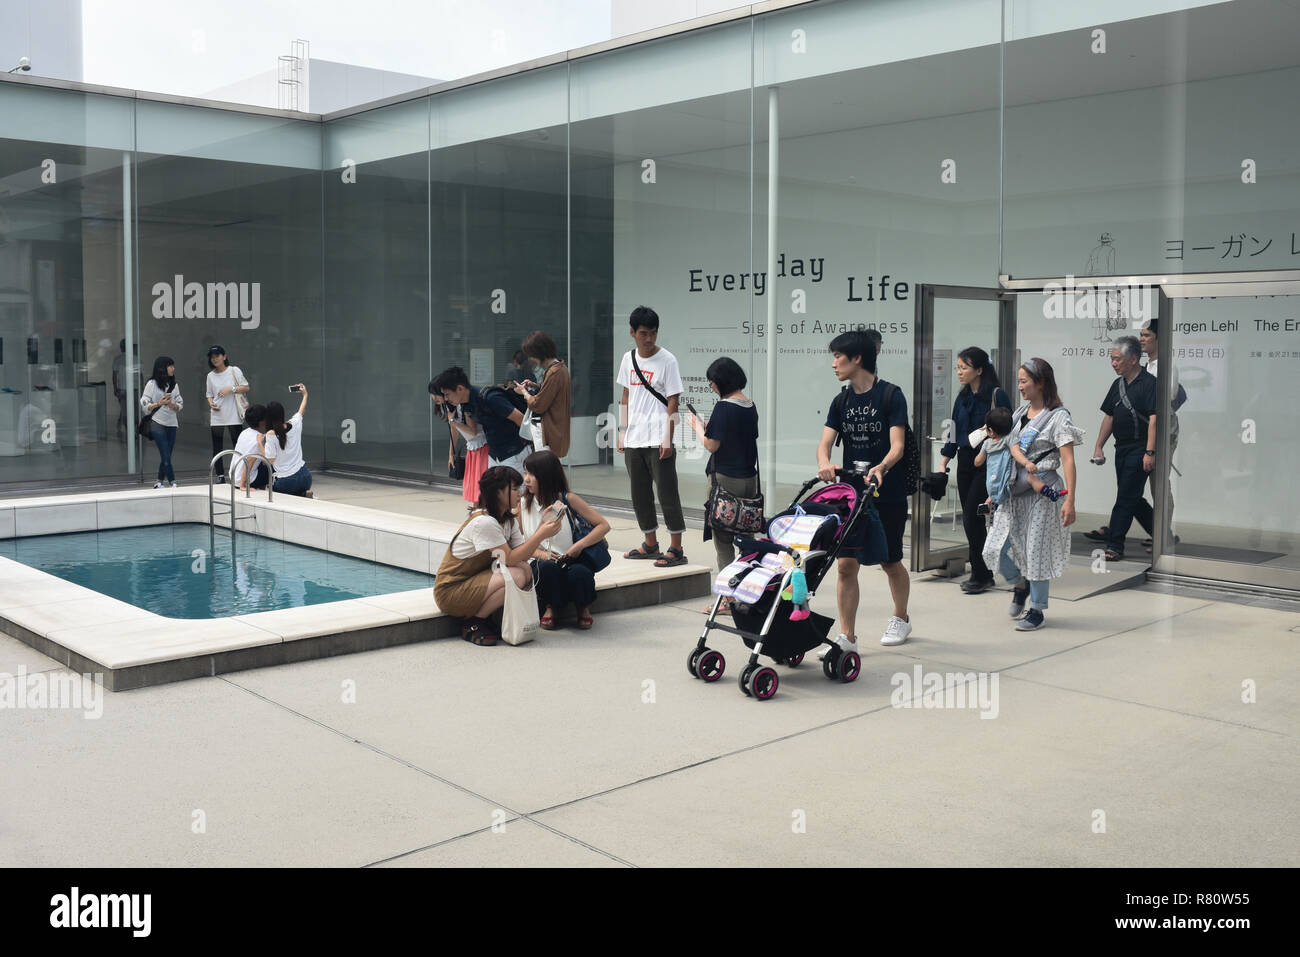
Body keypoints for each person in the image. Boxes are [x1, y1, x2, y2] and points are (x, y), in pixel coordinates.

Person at [816, 329, 913, 649]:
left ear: (857, 359)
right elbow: (824, 443)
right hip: (851, 494)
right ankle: (848, 636)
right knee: (845, 564)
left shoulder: (890, 395)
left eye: (837, 357)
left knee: (890, 561)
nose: (833, 364)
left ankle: (901, 617)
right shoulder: (840, 400)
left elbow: (897, 445)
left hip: (887, 492)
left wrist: (881, 466)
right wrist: (825, 462)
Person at [981, 358, 1083, 631]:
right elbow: (1004, 453)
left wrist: (1070, 500)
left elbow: (1069, 460)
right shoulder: (1019, 413)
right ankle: (1020, 582)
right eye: (1019, 381)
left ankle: (1036, 609)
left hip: (1042, 493)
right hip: (1013, 492)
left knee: (1036, 550)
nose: (1020, 386)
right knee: (994, 547)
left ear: (1041, 383)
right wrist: (995, 492)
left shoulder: (1059, 417)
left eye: (1025, 381)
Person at [433, 465, 564, 646]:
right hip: (451, 591)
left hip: (473, 582)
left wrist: (542, 526)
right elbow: (509, 558)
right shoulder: (484, 522)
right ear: (498, 492)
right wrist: (541, 534)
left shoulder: (507, 520)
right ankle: (474, 622)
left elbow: (522, 556)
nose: (520, 493)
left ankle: (483, 618)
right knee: (517, 574)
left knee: (525, 569)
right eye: (515, 489)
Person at [617, 305, 688, 568]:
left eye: (653, 333)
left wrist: (668, 438)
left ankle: (676, 548)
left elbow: (673, 401)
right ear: (633, 332)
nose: (649, 339)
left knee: (668, 493)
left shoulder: (668, 360)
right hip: (634, 438)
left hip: (659, 438)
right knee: (640, 494)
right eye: (644, 333)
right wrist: (622, 432)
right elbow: (626, 396)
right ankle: (650, 543)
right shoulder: (628, 359)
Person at [938, 346, 1012, 594]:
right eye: (958, 367)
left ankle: (981, 573)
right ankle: (984, 570)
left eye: (964, 367)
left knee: (972, 515)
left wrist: (985, 436)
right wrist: (943, 462)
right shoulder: (962, 397)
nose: (959, 372)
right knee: (973, 521)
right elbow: (953, 430)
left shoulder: (996, 395)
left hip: (989, 462)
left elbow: (1007, 429)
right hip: (965, 461)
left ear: (979, 370)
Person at [1084, 336, 1158, 562]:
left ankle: (1115, 545)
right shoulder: (1117, 385)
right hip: (1122, 448)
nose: (1114, 363)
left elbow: (1154, 420)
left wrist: (1150, 452)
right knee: (1132, 496)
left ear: (1134, 359)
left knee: (1125, 496)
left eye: (1118, 359)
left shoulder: (1150, 384)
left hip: (1140, 448)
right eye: (1112, 359)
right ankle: (1163, 533)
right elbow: (1109, 416)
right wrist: (1098, 446)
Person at [518, 450, 610, 630]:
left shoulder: (568, 499)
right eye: (525, 472)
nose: (526, 479)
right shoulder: (522, 505)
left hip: (572, 558)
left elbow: (603, 525)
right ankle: (551, 607)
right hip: (541, 563)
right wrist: (541, 554)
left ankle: (582, 606)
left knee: (580, 573)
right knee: (546, 569)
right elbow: (519, 543)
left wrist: (579, 546)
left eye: (531, 474)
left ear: (546, 475)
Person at [687, 356, 759, 582]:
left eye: (711, 383)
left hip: (726, 481)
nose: (712, 387)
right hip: (750, 480)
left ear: (720, 382)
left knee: (724, 541)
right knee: (747, 539)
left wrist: (698, 428)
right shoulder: (749, 405)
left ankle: (728, 597)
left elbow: (711, 445)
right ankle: (752, 588)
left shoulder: (723, 407)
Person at [431, 366, 530, 475]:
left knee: (516, 490)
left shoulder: (490, 397)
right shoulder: (466, 404)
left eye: (447, 394)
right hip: (494, 456)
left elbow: (520, 419)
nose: (445, 399)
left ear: (460, 388)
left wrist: (527, 448)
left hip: (514, 453)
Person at [1139, 315, 1180, 551]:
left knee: (1159, 486)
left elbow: (1167, 400)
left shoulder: (1166, 366)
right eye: (1141, 335)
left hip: (1163, 435)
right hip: (1146, 434)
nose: (1142, 340)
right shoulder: (1148, 366)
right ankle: (1160, 532)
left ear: (1159, 339)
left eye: (1147, 336)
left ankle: (1164, 535)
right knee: (1135, 487)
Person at [976, 406, 1066, 505]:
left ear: (991, 431)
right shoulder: (1010, 438)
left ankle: (992, 502)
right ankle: (1051, 493)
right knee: (1032, 478)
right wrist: (1027, 463)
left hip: (992, 483)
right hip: (1008, 478)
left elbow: (978, 462)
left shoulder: (987, 444)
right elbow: (1016, 453)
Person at [514, 331, 571, 458]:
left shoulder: (554, 372)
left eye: (531, 355)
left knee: (545, 472)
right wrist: (535, 386)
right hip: (556, 432)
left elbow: (537, 404)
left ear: (539, 353)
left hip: (549, 433)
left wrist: (523, 392)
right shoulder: (561, 368)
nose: (530, 359)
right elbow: (552, 393)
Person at [432, 383, 488, 506]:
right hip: (473, 448)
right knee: (475, 491)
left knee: (481, 490)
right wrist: (450, 454)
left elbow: (473, 431)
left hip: (482, 447)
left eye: (436, 395)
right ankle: (477, 516)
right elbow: (454, 431)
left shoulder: (463, 405)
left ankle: (483, 517)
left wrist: (452, 421)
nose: (434, 399)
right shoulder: (449, 408)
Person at [204, 345, 251, 482]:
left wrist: (230, 389)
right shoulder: (210, 376)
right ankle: (220, 476)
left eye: (217, 356)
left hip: (234, 414)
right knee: (217, 447)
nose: (214, 359)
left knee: (238, 445)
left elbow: (246, 387)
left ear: (224, 356)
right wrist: (210, 403)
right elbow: (209, 394)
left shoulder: (234, 370)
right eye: (212, 357)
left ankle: (239, 475)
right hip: (217, 414)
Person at [258, 387, 313, 497]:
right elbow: (301, 411)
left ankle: (299, 493)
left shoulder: (271, 434)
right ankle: (302, 493)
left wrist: (260, 443)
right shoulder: (295, 423)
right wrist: (305, 395)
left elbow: (270, 461)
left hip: (285, 482)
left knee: (271, 491)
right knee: (294, 492)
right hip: (305, 477)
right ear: (282, 413)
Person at [141, 356, 183, 489]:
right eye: (170, 366)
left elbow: (180, 404)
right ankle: (172, 481)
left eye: (173, 366)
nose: (173, 368)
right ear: (162, 368)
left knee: (167, 455)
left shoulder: (174, 384)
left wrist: (172, 405)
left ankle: (159, 481)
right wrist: (159, 403)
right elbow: (144, 402)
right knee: (165, 453)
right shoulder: (151, 384)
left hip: (172, 423)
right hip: (157, 422)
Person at [232, 404, 271, 491]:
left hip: (233, 476)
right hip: (245, 480)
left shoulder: (244, 432)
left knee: (261, 461)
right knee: (271, 463)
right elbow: (250, 461)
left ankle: (260, 486)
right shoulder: (258, 440)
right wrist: (242, 486)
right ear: (261, 422)